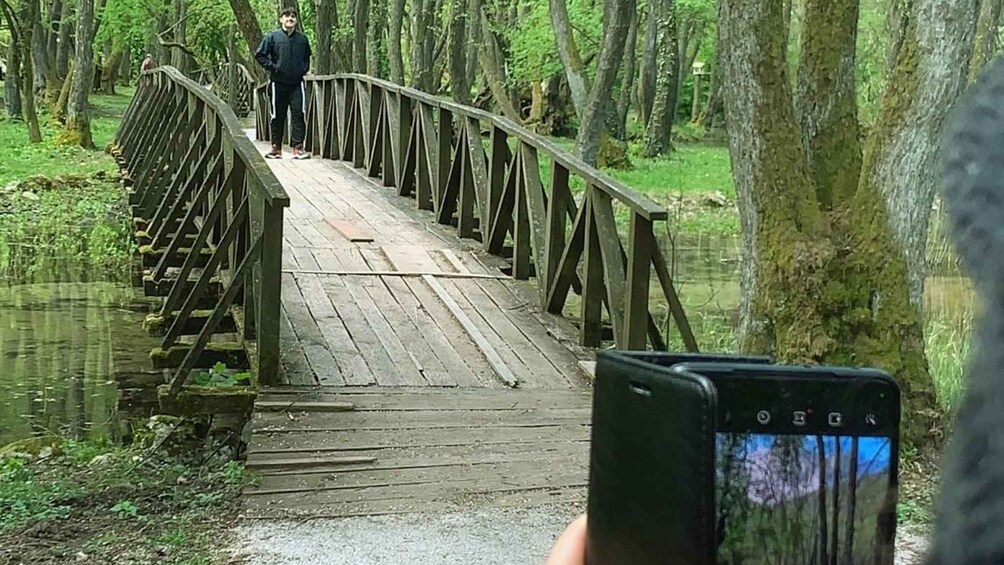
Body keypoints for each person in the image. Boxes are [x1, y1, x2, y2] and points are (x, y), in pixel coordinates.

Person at [254, 7, 312, 160]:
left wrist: (303, 70)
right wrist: (273, 68)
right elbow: (260, 55)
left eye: (293, 16)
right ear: (281, 19)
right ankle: (276, 148)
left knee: (299, 114)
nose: (290, 18)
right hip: (277, 83)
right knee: (277, 116)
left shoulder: (302, 39)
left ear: (296, 20)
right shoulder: (272, 37)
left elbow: (307, 58)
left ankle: (298, 148)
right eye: (286, 16)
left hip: (297, 83)